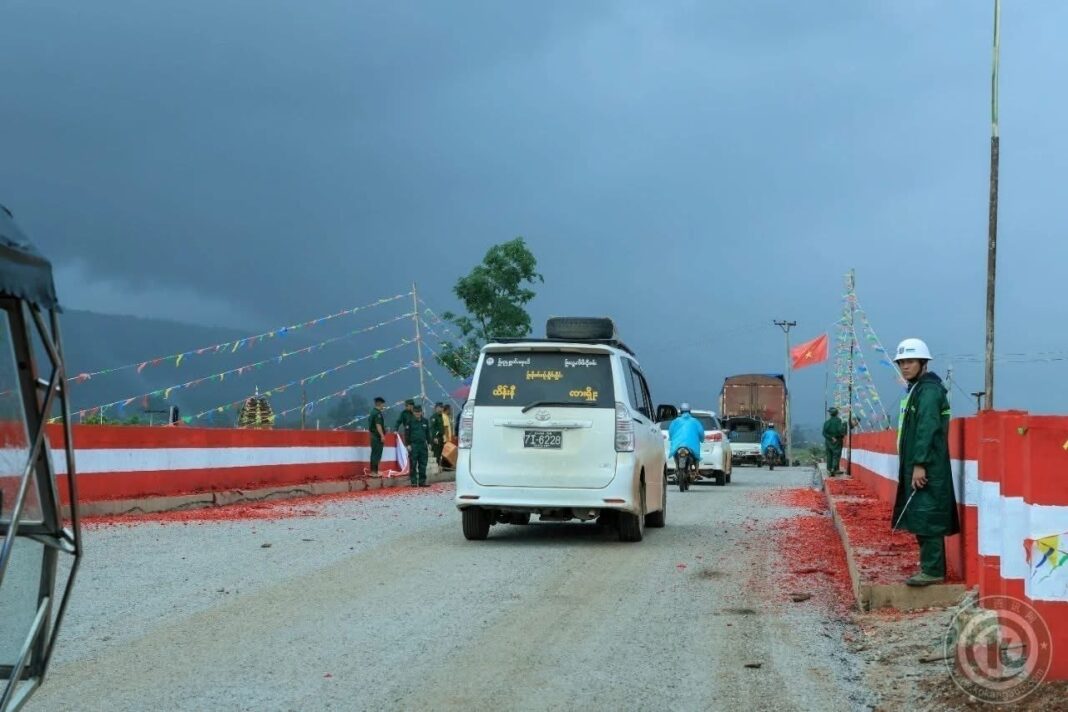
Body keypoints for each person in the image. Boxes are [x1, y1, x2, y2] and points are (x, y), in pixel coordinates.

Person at [892, 338, 960, 587]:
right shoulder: (917, 389)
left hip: (928, 466)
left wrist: (919, 463)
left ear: (923, 362)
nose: (905, 367)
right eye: (901, 363)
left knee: (927, 515)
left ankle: (933, 571)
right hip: (918, 463)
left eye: (910, 361)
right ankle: (930, 567)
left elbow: (927, 429)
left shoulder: (929, 391)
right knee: (921, 515)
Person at [668, 403, 705, 469]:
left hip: (677, 446)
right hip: (692, 447)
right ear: (689, 411)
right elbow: (701, 433)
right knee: (696, 458)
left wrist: (671, 438)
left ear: (681, 411)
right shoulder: (695, 421)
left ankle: (677, 466)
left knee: (675, 455)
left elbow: (670, 432)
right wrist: (702, 439)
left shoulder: (675, 421)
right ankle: (696, 471)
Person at [405, 404, 432, 487]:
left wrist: (430, 443)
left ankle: (422, 481)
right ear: (413, 412)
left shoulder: (425, 421)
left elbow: (428, 433)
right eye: (416, 412)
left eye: (419, 412)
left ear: (421, 412)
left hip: (423, 445)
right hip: (414, 445)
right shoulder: (409, 421)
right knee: (413, 464)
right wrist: (408, 444)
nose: (417, 413)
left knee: (423, 464)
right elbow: (406, 434)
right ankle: (413, 482)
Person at [822, 407, 846, 475]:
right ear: (836, 413)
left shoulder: (827, 422)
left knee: (829, 455)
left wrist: (830, 437)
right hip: (837, 440)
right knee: (836, 454)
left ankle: (829, 469)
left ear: (830, 414)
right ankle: (834, 469)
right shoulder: (838, 421)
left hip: (828, 441)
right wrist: (843, 432)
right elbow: (840, 430)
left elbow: (823, 433)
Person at [368, 397, 387, 476]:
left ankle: (375, 471)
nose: (383, 406)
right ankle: (373, 472)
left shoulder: (372, 412)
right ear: (379, 404)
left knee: (374, 453)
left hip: (373, 435)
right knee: (376, 454)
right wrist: (382, 435)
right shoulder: (377, 413)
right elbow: (378, 425)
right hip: (376, 436)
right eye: (383, 404)